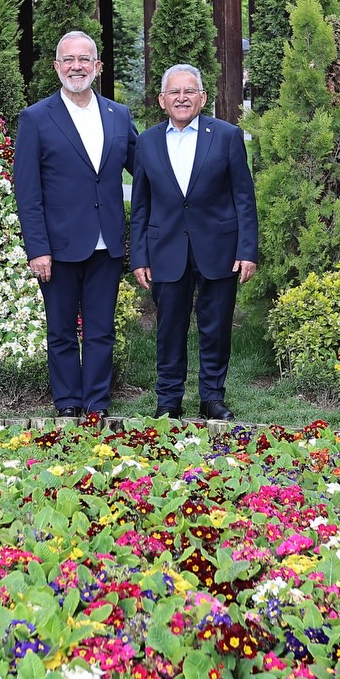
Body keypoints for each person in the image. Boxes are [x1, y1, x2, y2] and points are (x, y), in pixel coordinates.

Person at [13, 30, 137, 418]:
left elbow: (145, 171)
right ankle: (67, 404)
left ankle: (97, 403)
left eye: (84, 59)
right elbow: (28, 192)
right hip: (59, 246)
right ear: (56, 67)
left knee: (101, 332)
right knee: (62, 332)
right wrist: (38, 249)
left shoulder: (119, 115)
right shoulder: (35, 118)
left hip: (107, 245)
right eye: (68, 60)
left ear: (97, 67)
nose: (76, 66)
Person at [130, 64, 258, 421]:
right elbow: (141, 204)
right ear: (162, 100)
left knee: (215, 327)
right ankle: (169, 400)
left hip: (220, 249)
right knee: (169, 328)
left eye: (189, 91)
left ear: (203, 98)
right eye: (174, 92)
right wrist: (139, 255)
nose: (182, 98)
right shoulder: (147, 141)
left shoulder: (228, 135)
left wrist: (247, 250)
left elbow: (244, 199)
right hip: (165, 249)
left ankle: (212, 398)